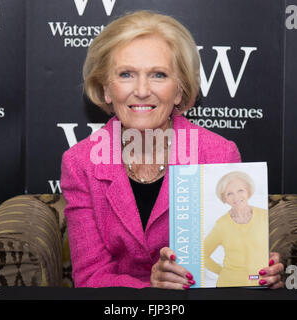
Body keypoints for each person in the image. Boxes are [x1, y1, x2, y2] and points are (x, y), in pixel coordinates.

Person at [60, 10, 284, 289]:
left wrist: (260, 272)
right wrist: (152, 290)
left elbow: (228, 261)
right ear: (106, 89)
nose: (142, 90)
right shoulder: (81, 163)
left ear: (179, 91)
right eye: (126, 74)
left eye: (158, 75)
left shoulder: (218, 154)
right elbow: (90, 277)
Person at [204, 171, 269, 287]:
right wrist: (223, 272)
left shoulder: (265, 216)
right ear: (224, 198)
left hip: (261, 284)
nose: (236, 197)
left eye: (240, 190)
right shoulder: (221, 224)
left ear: (248, 191)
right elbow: (202, 254)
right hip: (228, 286)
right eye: (230, 194)